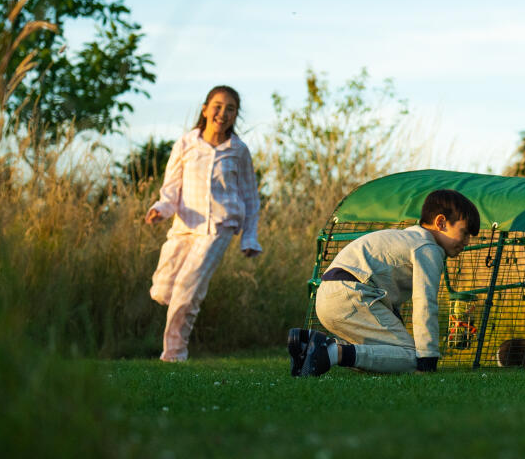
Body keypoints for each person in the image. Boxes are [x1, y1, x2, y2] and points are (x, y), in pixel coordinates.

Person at [290, 189, 480, 376]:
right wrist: (427, 358)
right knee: (409, 358)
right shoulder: (428, 248)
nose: (466, 241)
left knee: (385, 353)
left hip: (328, 296)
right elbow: (425, 303)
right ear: (441, 222)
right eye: (464, 233)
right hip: (352, 295)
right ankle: (330, 352)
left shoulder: (407, 238)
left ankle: (309, 346)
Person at [144, 85, 262, 362]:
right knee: (163, 290)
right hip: (184, 227)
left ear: (235, 115)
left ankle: (173, 354)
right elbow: (171, 189)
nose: (223, 113)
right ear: (206, 109)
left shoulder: (239, 151)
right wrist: (159, 210)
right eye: (218, 106)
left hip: (219, 228)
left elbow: (250, 198)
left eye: (230, 109)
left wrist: (249, 237)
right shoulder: (186, 144)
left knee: (188, 290)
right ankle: (174, 339)